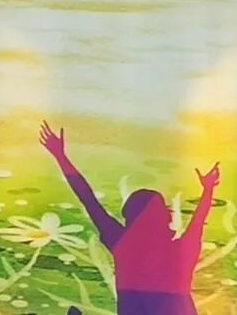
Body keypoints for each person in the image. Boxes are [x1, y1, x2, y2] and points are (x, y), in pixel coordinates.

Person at [40, 122, 220, 315]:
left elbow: (88, 199)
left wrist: (61, 157)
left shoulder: (124, 244)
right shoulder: (180, 251)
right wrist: (208, 190)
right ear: (164, 216)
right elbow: (198, 220)